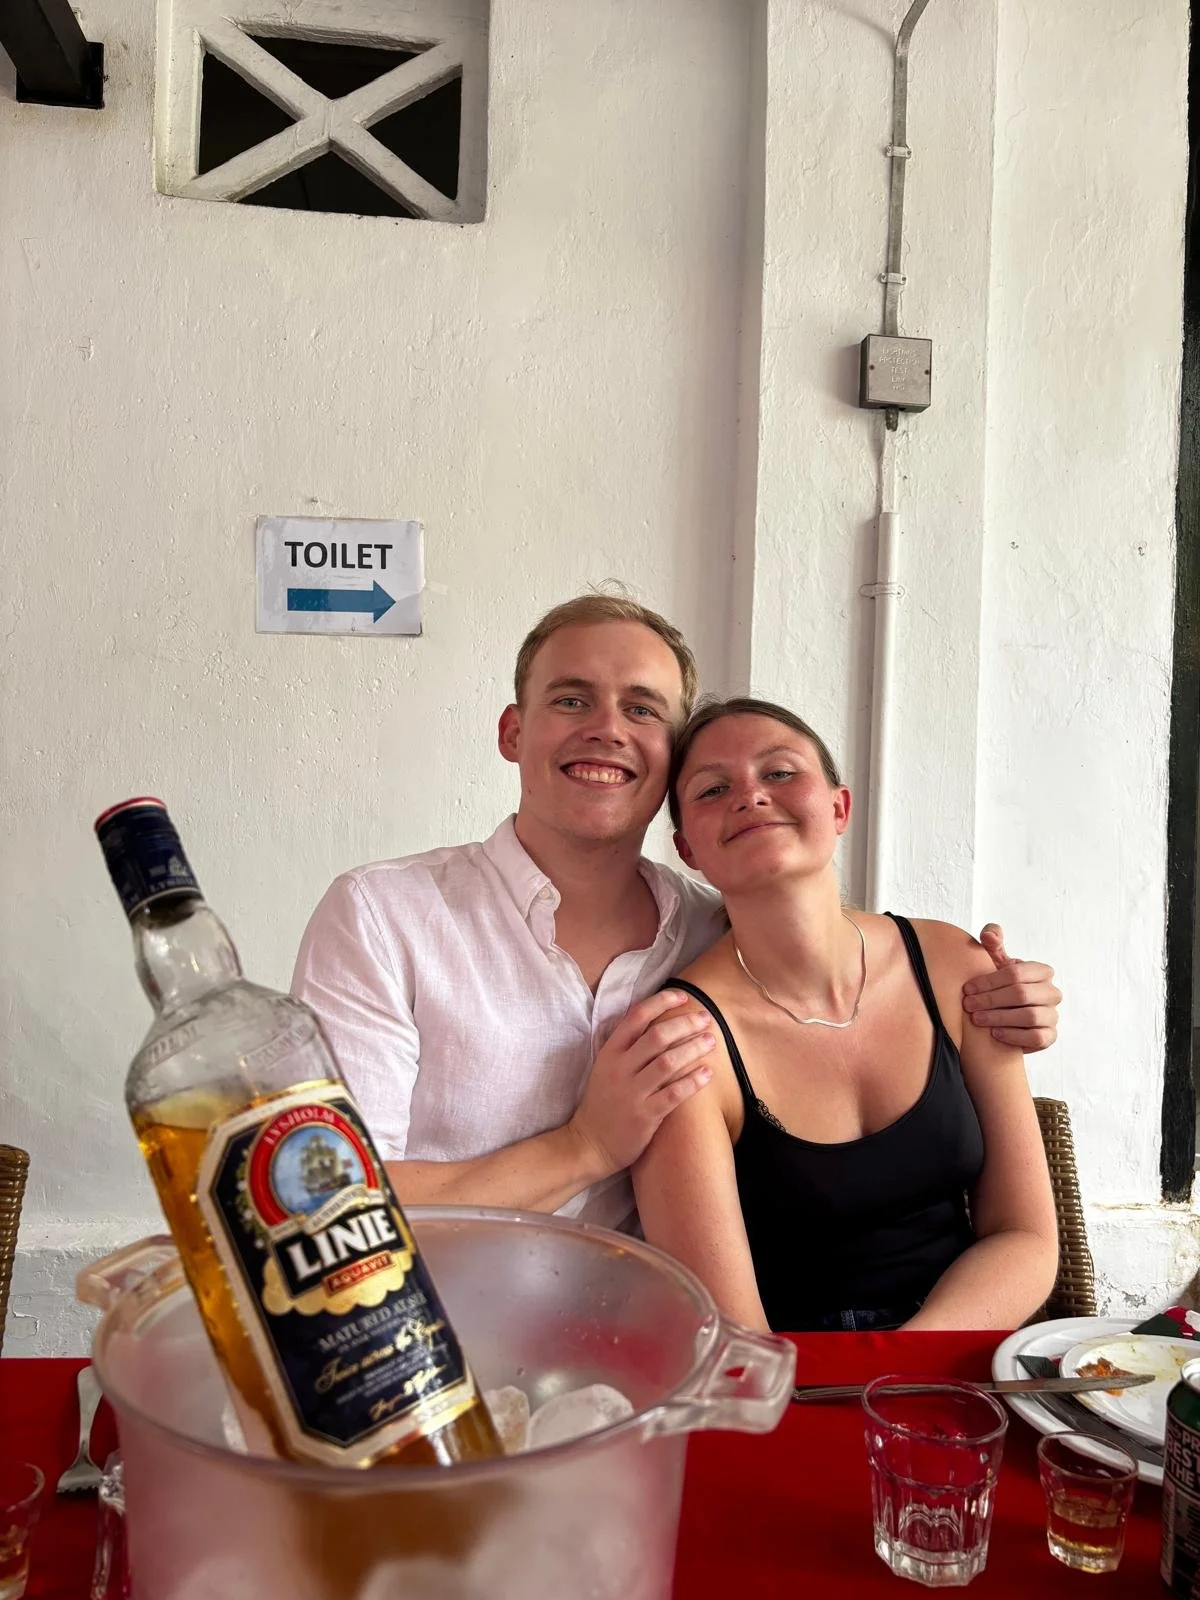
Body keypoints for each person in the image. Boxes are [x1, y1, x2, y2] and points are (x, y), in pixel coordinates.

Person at [292, 595, 1063, 1237]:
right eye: (571, 700)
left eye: (642, 708)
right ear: (513, 732)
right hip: (422, 1337)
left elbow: (840, 969)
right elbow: (319, 1203)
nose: (607, 728)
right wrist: (585, 1147)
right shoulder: (382, 916)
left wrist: (999, 996)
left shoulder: (715, 934)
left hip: (652, 1347)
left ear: (670, 758)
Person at [632, 696, 1059, 1331]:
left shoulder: (954, 965)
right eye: (713, 789)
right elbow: (734, 1336)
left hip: (964, 1346)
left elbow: (1025, 1235)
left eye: (780, 772)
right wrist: (883, 1379)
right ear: (687, 848)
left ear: (839, 808)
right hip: (789, 1374)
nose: (750, 796)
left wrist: (910, 1362)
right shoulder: (682, 1040)